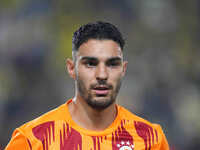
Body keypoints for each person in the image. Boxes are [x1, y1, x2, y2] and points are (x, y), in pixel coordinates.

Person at [6, 21, 169, 150]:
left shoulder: (150, 138)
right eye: (90, 64)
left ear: (123, 69)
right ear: (71, 68)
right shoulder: (32, 139)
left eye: (112, 64)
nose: (102, 75)